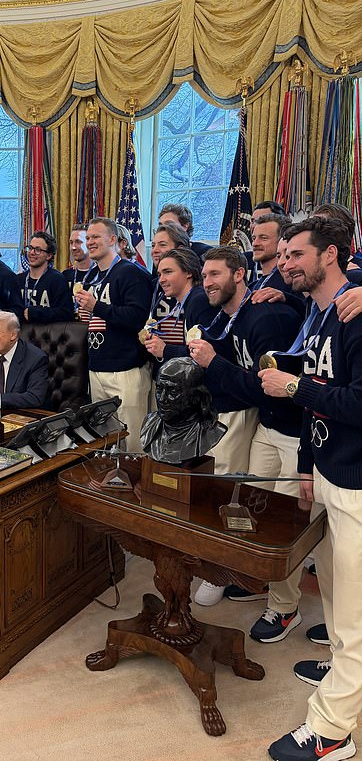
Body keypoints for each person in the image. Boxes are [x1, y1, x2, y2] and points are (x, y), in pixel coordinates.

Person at [261, 216, 361, 761]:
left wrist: (294, 384)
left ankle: (332, 733)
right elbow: (318, 397)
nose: (285, 262)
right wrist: (305, 463)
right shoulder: (320, 314)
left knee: (354, 612)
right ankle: (342, 671)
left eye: (296, 253)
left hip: (355, 482)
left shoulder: (355, 312)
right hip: (325, 470)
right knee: (339, 598)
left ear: (331, 255)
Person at [189, 246, 302, 611]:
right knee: (249, 505)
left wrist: (213, 361)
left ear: (239, 274)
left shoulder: (265, 317)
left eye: (215, 274)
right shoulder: (232, 314)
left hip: (293, 431)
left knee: (284, 519)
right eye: (204, 275)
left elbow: (267, 386)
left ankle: (284, 607)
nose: (207, 282)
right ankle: (249, 575)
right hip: (266, 428)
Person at [74, 217, 152, 452]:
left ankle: (136, 484)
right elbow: (102, 316)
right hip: (97, 365)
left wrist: (95, 307)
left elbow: (136, 318)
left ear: (113, 240)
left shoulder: (131, 272)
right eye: (88, 238)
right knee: (105, 436)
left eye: (96, 237)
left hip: (125, 368)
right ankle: (109, 484)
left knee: (132, 437)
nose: (90, 242)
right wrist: (88, 314)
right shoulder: (92, 276)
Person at [143, 248, 218, 370]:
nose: (161, 280)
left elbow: (207, 353)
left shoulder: (199, 300)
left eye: (168, 272)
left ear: (188, 272)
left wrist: (165, 350)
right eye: (159, 274)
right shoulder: (191, 300)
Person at [141, 357, 226, 464]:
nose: (162, 399)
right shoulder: (149, 423)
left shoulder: (211, 432)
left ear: (196, 396)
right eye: (159, 389)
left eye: (172, 391)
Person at [18, 230, 73, 324]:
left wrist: (35, 313)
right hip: (21, 333)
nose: (32, 252)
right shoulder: (18, 279)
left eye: (38, 250)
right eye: (30, 248)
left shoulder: (57, 280)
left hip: (48, 335)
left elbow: (66, 313)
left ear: (49, 255)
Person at [62, 224, 93, 289]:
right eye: (71, 242)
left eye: (78, 242)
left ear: (89, 243)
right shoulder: (65, 276)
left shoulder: (100, 274)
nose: (73, 247)